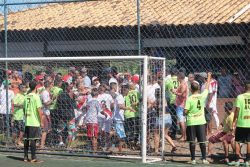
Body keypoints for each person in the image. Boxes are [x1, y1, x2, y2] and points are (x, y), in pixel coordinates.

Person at [184, 72, 212, 165]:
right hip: (201, 121)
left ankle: (193, 159)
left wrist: (187, 113)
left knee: (192, 141)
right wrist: (209, 77)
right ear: (199, 89)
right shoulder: (202, 96)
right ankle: (204, 159)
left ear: (191, 89)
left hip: (192, 122)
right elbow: (207, 86)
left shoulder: (189, 98)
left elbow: (185, 111)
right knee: (202, 141)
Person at [23, 80, 44, 163]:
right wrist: (41, 121)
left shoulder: (26, 96)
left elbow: (24, 109)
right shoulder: (36, 96)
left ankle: (25, 157)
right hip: (34, 121)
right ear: (36, 87)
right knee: (33, 140)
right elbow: (39, 110)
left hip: (27, 121)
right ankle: (33, 158)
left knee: (26, 139)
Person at [232, 80, 250, 166]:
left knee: (238, 141)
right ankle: (247, 161)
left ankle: (237, 160)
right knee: (249, 142)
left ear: (244, 88)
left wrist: (234, 121)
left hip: (241, 123)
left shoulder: (240, 97)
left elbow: (237, 110)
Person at [85, 88, 103, 152]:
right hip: (93, 121)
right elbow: (100, 111)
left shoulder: (89, 101)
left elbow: (86, 110)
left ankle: (91, 150)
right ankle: (95, 152)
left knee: (91, 137)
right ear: (97, 94)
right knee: (94, 137)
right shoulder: (96, 101)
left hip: (88, 120)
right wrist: (106, 114)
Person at [165, 67, 179, 139]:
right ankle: (174, 133)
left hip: (172, 101)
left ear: (171, 73)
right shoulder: (180, 79)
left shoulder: (168, 80)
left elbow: (164, 88)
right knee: (177, 117)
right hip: (180, 100)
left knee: (171, 117)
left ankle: (171, 132)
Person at [174, 72, 188, 141]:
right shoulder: (184, 83)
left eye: (177, 76)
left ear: (179, 77)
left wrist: (175, 92)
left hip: (181, 105)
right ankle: (183, 135)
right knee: (182, 121)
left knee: (181, 121)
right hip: (181, 104)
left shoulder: (183, 84)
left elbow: (183, 95)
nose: (176, 78)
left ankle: (184, 137)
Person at [40, 81, 53, 149]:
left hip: (46, 112)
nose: (52, 86)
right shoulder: (45, 93)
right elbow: (45, 103)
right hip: (44, 113)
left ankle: (42, 144)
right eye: (52, 84)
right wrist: (52, 100)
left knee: (47, 130)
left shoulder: (47, 92)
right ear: (50, 85)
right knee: (44, 130)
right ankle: (42, 145)